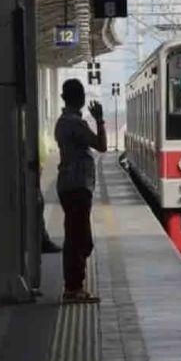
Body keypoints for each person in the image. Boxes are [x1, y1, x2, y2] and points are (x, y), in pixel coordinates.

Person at [55, 79, 106, 303]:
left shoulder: (61, 122)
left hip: (68, 184)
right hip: (78, 186)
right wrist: (100, 120)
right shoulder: (75, 124)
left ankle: (74, 285)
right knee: (80, 238)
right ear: (82, 98)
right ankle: (74, 288)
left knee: (74, 236)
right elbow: (101, 145)